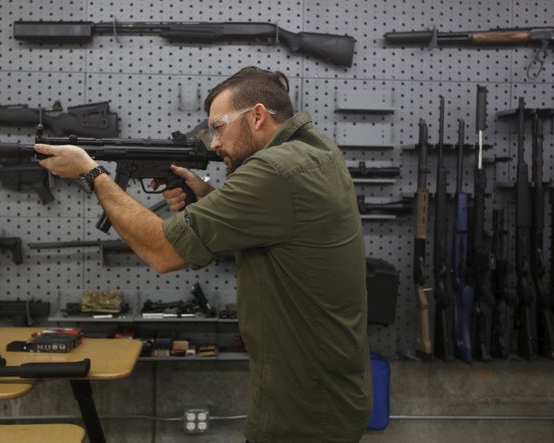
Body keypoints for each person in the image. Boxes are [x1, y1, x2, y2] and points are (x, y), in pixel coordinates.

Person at [35, 66, 373, 442]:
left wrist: (91, 173)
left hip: (304, 412)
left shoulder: (274, 170)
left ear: (257, 115)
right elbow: (280, 231)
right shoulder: (314, 151)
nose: (214, 143)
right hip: (325, 391)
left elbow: (162, 252)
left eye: (218, 126)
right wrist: (209, 199)